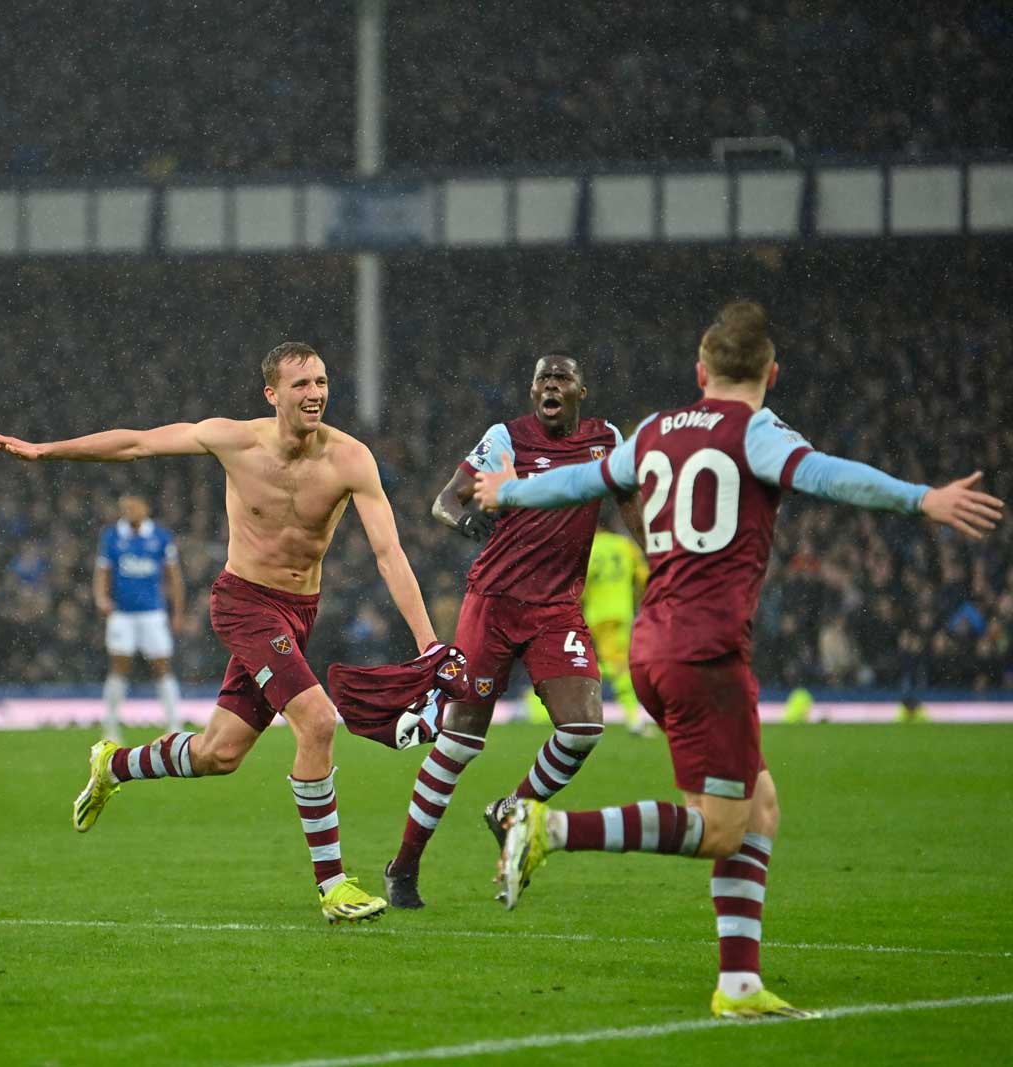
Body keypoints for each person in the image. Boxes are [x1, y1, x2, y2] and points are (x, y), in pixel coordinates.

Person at [477, 301, 1003, 1019]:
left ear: (701, 371)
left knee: (760, 805)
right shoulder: (754, 431)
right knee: (719, 825)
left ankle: (741, 982)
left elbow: (581, 482)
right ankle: (546, 825)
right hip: (706, 651)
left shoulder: (656, 431)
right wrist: (922, 499)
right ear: (771, 373)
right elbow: (828, 475)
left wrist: (508, 490)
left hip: (651, 645)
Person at [0, 341, 440, 924]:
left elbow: (389, 553)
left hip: (299, 612)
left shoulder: (352, 459)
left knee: (219, 754)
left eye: (321, 382)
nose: (315, 393)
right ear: (272, 395)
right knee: (318, 721)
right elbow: (137, 443)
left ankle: (113, 766)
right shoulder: (234, 439)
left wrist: (429, 644)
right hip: (245, 603)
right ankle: (334, 887)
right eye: (300, 385)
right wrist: (46, 451)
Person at [382, 352, 642, 910]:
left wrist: (663, 564)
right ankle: (403, 867)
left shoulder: (607, 440)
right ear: (532, 392)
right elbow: (445, 500)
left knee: (583, 730)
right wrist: (464, 519)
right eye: (542, 379)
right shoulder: (508, 437)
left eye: (561, 377)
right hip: (493, 607)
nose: (550, 385)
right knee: (458, 744)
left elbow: (630, 504)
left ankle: (512, 809)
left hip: (558, 610)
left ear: (580, 390)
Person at [93, 494, 185, 741]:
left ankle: (174, 724)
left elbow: (174, 577)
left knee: (162, 665)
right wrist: (101, 598)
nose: (128, 510)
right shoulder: (112, 536)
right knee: (119, 666)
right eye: (124, 507)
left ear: (146, 507)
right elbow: (102, 571)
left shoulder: (161, 536)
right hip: (122, 614)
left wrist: (177, 612)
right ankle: (111, 726)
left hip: (153, 613)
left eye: (133, 506)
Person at [580, 505, 651, 736]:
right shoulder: (624, 545)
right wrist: (640, 599)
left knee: (615, 663)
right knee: (619, 665)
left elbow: (581, 583)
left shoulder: (589, 548)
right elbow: (643, 576)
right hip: (621, 611)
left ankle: (573, 677)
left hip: (596, 613)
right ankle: (634, 720)